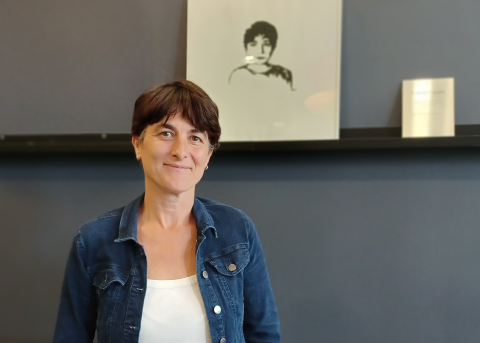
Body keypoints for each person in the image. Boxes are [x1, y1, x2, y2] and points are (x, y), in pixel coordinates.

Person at [52, 80, 280, 343]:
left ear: (208, 155)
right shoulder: (92, 241)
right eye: (166, 133)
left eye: (195, 138)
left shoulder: (237, 231)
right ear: (138, 143)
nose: (180, 151)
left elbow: (264, 335)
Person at [229, 21, 294, 90]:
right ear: (246, 47)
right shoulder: (238, 75)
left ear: (273, 47)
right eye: (253, 44)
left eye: (266, 44)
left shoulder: (283, 74)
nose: (261, 51)